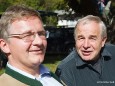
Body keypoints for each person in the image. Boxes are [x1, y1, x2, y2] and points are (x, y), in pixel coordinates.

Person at [0, 5, 63, 86]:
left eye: (41, 34)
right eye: (27, 35)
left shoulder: (52, 77)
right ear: (5, 45)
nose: (39, 42)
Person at [55, 15, 115, 86]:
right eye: (81, 38)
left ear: (103, 41)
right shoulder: (66, 70)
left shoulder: (113, 52)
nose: (86, 45)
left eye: (92, 38)